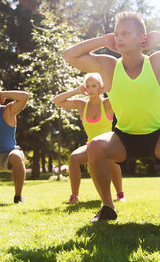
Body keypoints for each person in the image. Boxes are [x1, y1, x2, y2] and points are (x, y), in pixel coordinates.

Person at [63, 12, 160, 223]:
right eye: (117, 34)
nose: (119, 38)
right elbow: (69, 56)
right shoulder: (109, 65)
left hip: (156, 136)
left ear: (142, 38)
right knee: (94, 145)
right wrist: (103, 41)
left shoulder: (157, 61)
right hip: (122, 139)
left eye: (125, 34)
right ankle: (107, 207)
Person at [52, 73, 125, 204]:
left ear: (100, 88)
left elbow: (123, 94)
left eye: (94, 86)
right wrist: (76, 91)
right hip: (91, 147)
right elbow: (56, 101)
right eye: (87, 86)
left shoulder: (108, 104)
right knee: (74, 158)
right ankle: (74, 196)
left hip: (109, 146)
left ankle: (120, 193)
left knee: (111, 159)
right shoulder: (82, 105)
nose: (90, 89)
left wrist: (108, 89)